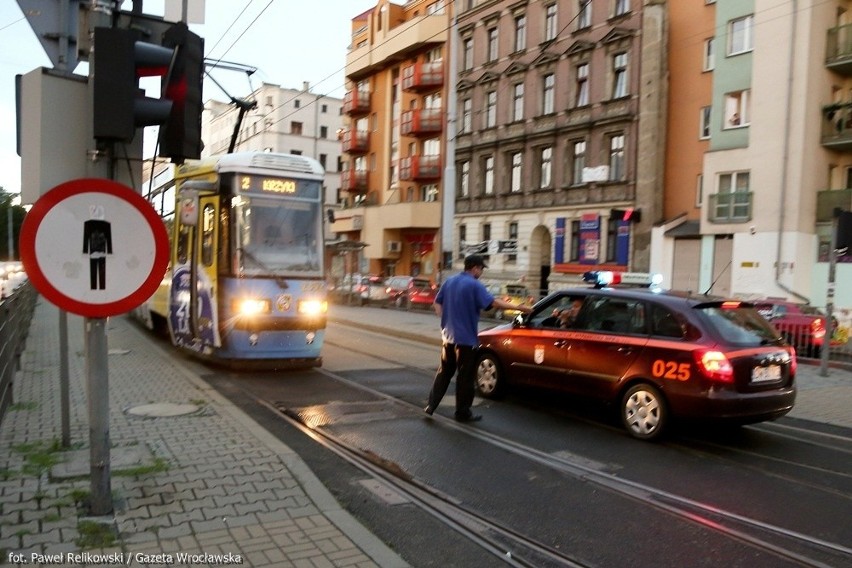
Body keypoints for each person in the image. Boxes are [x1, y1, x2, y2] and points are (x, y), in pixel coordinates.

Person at [425, 255, 532, 422]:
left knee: (444, 372)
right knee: (465, 377)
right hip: (466, 340)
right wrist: (518, 308)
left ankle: (431, 405)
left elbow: (437, 303)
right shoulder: (474, 285)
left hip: (448, 337)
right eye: (481, 269)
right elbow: (494, 303)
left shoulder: (449, 281)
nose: (481, 272)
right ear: (474, 268)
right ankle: (462, 412)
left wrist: (445, 319)